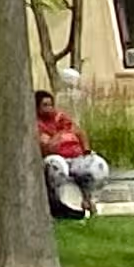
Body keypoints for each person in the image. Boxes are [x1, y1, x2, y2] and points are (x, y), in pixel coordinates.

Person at [36, 91, 110, 219]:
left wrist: (87, 152)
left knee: (96, 166)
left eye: (51, 105)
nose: (49, 109)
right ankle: (68, 206)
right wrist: (61, 135)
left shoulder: (61, 118)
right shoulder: (37, 124)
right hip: (57, 160)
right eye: (45, 105)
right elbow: (48, 146)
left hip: (75, 157)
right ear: (37, 108)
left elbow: (80, 133)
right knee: (57, 166)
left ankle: (89, 200)